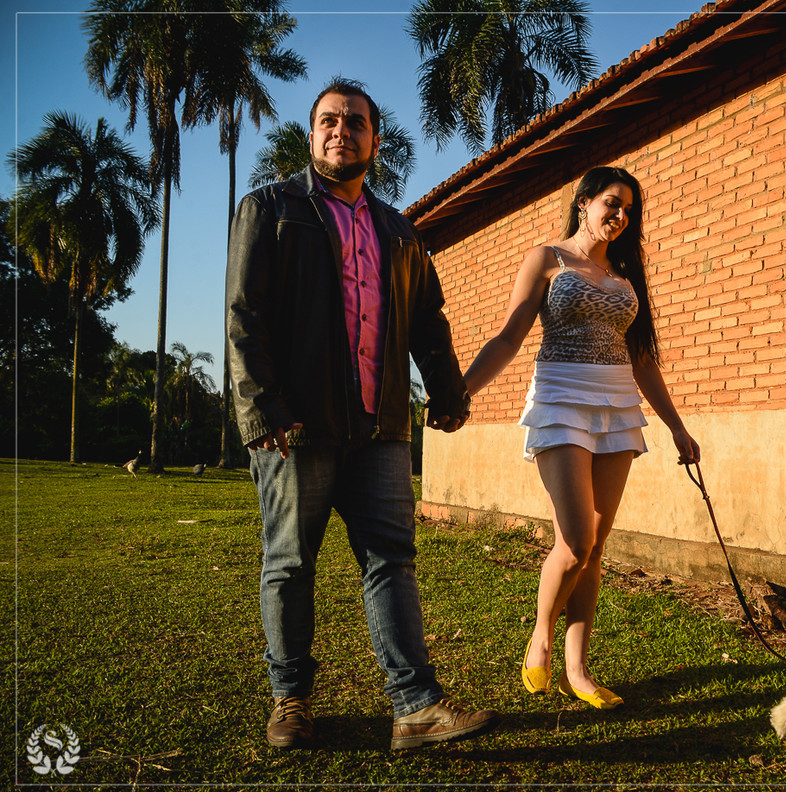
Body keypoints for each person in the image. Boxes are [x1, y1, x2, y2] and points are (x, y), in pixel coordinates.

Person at [226, 77, 499, 749]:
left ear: (375, 140)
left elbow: (427, 323)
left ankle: (415, 706)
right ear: (310, 134)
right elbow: (243, 319)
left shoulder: (398, 231)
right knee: (289, 562)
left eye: (354, 122)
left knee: (391, 561)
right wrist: (262, 410)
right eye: (328, 121)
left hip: (380, 430)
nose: (340, 130)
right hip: (296, 429)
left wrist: (448, 389)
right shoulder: (271, 209)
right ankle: (290, 700)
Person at [463, 166, 700, 709]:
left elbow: (643, 359)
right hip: (560, 400)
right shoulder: (547, 259)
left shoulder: (625, 277)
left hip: (617, 408)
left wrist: (677, 425)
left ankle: (578, 669)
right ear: (584, 202)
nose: (619, 216)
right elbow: (508, 336)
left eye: (628, 210)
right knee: (576, 541)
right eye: (612, 203)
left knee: (596, 548)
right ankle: (540, 636)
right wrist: (463, 390)